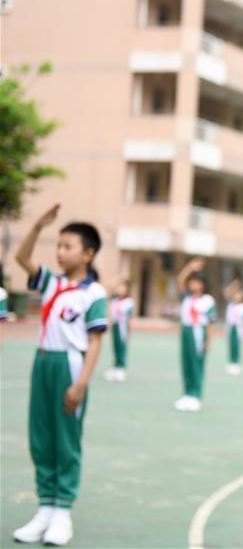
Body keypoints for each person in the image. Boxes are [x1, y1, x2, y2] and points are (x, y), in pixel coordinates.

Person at [13, 204, 108, 546]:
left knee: (66, 439)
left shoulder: (93, 293)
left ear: (88, 253)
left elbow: (95, 342)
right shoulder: (51, 283)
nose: (60, 251)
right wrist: (37, 225)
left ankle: (63, 511)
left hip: (70, 365)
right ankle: (45, 508)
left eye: (68, 246)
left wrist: (81, 382)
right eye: (59, 245)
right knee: (41, 437)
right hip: (43, 363)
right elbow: (21, 258)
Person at [174, 257, 216, 412]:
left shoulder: (208, 300)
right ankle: (186, 394)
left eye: (198, 282)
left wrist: (209, 340)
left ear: (204, 285)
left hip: (199, 333)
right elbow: (180, 280)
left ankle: (196, 395)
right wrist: (189, 268)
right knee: (186, 362)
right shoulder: (187, 297)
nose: (194, 284)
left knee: (197, 364)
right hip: (186, 332)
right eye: (192, 281)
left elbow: (210, 322)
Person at [105, 279, 134, 382]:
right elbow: (108, 288)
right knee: (115, 346)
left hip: (123, 327)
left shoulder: (128, 302)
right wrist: (117, 280)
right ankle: (115, 365)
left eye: (123, 288)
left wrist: (128, 332)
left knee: (122, 348)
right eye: (119, 288)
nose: (120, 290)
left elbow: (129, 319)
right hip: (115, 326)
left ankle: (121, 367)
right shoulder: (114, 299)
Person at [224, 279, 243, 376]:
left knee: (236, 346)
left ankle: (236, 363)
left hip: (238, 328)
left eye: (239, 295)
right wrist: (235, 285)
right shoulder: (230, 305)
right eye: (235, 295)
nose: (236, 297)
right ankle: (231, 363)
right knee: (230, 346)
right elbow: (227, 293)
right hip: (230, 328)